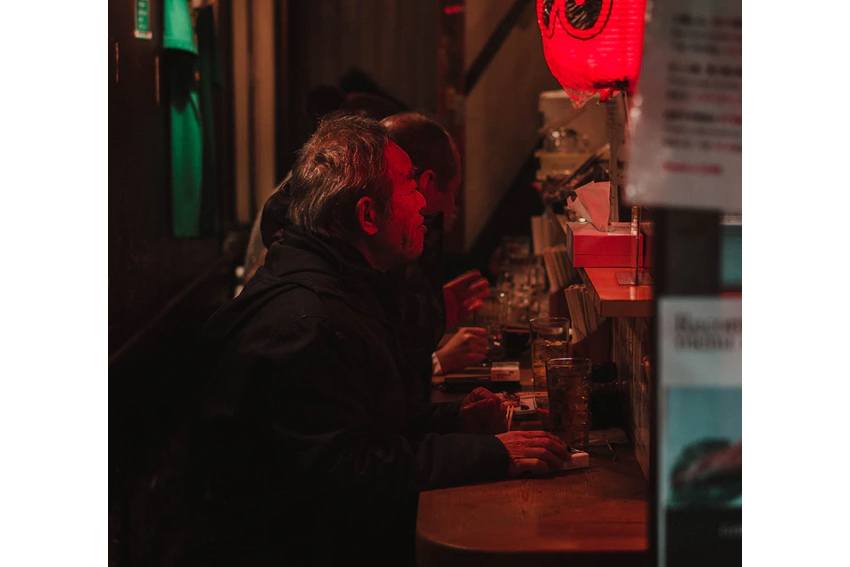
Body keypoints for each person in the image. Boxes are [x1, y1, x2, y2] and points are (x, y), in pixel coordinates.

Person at [193, 115, 567, 565]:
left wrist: (454, 421)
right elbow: (349, 473)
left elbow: (363, 420)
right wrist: (487, 453)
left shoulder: (340, 284)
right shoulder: (306, 322)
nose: (422, 205)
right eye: (409, 186)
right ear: (369, 216)